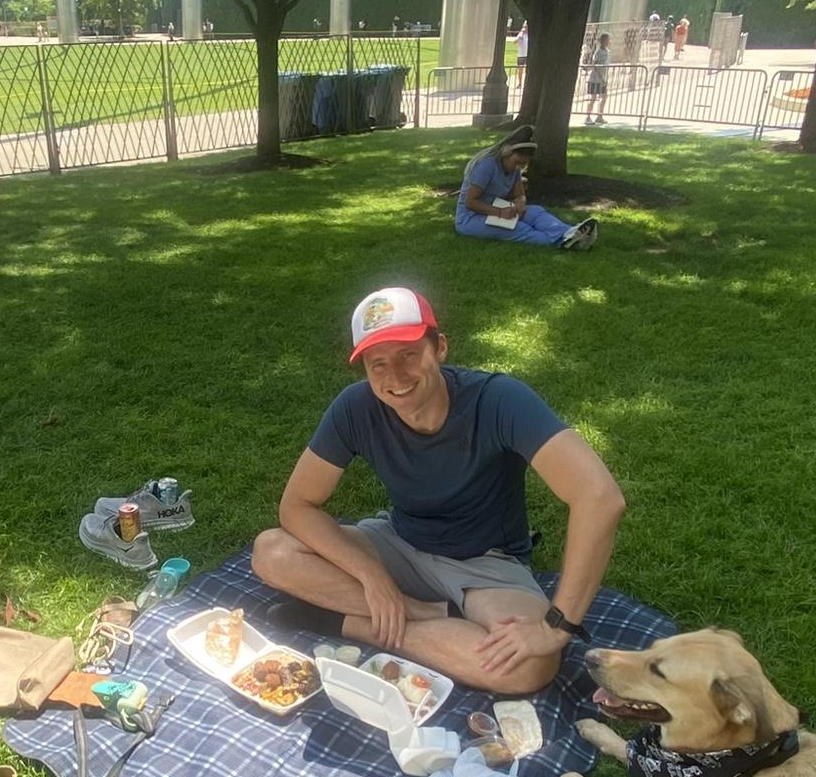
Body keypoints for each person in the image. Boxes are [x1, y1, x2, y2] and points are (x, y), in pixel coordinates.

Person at [252, 288, 626, 695]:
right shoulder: (355, 407)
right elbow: (297, 506)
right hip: (399, 542)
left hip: (485, 563)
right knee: (273, 552)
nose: (395, 377)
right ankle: (425, 613)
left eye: (408, 355)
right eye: (378, 364)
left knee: (530, 664)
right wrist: (371, 576)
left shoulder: (499, 400)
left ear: (440, 347)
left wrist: (557, 627)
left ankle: (349, 622)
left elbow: (599, 498)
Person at [454, 127, 597, 250]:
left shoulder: (514, 169)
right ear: (507, 153)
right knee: (520, 228)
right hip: (471, 218)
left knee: (536, 212)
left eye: (522, 165)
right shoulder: (487, 166)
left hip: (499, 210)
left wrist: (520, 202)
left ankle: (570, 233)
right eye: (516, 162)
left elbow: (519, 194)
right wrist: (499, 212)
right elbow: (470, 202)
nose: (518, 168)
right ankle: (564, 242)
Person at [584, 32, 611, 126]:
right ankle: (587, 117)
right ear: (601, 41)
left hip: (604, 79)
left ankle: (599, 116)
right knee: (593, 97)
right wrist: (600, 77)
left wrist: (605, 78)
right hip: (595, 79)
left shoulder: (607, 52)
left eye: (608, 40)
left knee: (604, 97)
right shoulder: (598, 52)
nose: (607, 42)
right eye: (605, 40)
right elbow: (594, 65)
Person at [515, 20, 529, 89]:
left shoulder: (530, 35)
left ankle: (527, 84)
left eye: (526, 27)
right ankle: (520, 84)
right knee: (520, 69)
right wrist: (519, 38)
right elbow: (514, 42)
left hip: (528, 55)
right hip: (521, 54)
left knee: (527, 70)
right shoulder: (521, 34)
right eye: (525, 27)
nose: (525, 28)